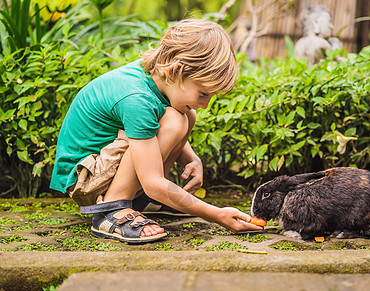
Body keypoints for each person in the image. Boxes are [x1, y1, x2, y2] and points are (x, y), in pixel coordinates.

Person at [50, 18, 263, 243]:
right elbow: (153, 178)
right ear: (174, 71)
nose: (206, 104)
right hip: (85, 179)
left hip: (103, 167)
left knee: (186, 115)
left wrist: (191, 158)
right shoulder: (136, 99)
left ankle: (144, 201)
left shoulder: (155, 77)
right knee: (174, 119)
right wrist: (216, 214)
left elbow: (153, 128)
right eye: (203, 94)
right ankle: (111, 210)